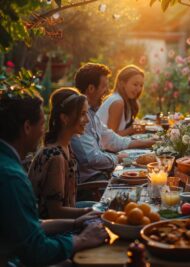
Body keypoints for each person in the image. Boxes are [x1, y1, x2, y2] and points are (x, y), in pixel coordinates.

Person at [0, 88, 108, 266]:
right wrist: (82, 239)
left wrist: (74, 222)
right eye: (42, 124)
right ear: (27, 127)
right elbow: (35, 249)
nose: (44, 131)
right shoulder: (12, 177)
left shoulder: (10, 164)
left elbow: (31, 223)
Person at [71, 63, 155, 183]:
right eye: (104, 86)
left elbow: (112, 138)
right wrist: (117, 158)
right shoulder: (81, 119)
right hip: (93, 182)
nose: (107, 91)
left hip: (101, 173)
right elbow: (91, 158)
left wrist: (149, 142)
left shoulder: (91, 114)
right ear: (91, 88)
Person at [28, 88, 93, 219]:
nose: (88, 120)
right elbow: (55, 213)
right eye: (82, 114)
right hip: (53, 228)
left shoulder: (65, 145)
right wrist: (90, 212)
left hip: (69, 210)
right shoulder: (55, 156)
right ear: (64, 118)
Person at [97, 65, 144, 136]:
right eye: (135, 84)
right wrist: (131, 130)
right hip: (101, 146)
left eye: (141, 85)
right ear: (122, 83)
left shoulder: (127, 101)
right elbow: (110, 138)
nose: (138, 89)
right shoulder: (117, 102)